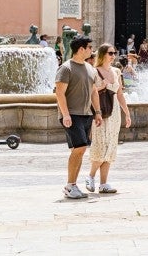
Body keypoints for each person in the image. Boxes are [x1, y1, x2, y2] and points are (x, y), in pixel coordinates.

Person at [55, 36, 101, 199]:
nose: (92, 50)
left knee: (80, 150)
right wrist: (65, 114)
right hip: (71, 114)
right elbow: (59, 92)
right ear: (81, 49)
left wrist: (98, 112)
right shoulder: (66, 68)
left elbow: (94, 91)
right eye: (89, 47)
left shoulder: (90, 68)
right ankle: (70, 185)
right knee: (80, 147)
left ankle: (73, 185)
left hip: (86, 114)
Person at [85, 43, 129, 194]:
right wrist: (101, 87)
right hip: (101, 113)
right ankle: (90, 176)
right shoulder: (94, 72)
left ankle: (103, 183)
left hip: (115, 112)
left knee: (110, 147)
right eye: (111, 53)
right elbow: (89, 93)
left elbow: (120, 94)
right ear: (103, 54)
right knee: (100, 145)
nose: (113, 55)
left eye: (114, 53)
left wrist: (127, 113)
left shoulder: (116, 71)